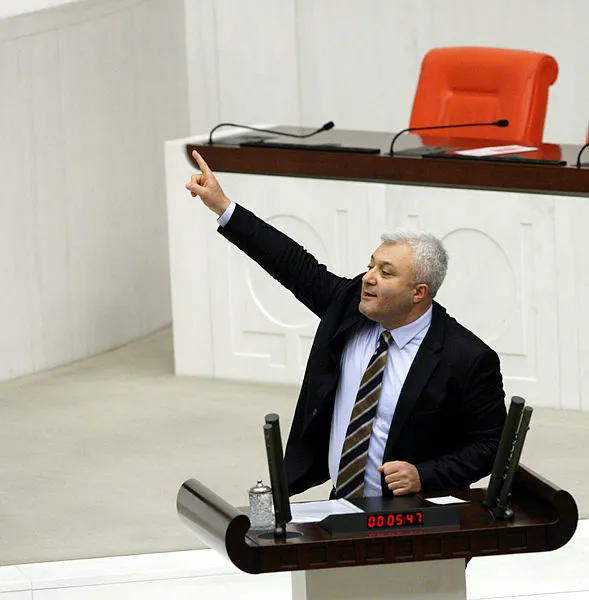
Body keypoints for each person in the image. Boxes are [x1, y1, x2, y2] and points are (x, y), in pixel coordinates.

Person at [186, 150, 506, 499]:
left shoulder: (467, 358)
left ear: (419, 293)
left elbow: (491, 446)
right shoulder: (350, 306)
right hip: (342, 501)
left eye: (386, 273)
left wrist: (423, 475)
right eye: (371, 265)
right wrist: (223, 207)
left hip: (416, 513)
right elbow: (292, 263)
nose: (368, 278)